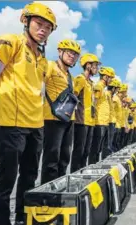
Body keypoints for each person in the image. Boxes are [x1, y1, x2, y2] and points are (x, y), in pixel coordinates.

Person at [0, 2, 56, 225]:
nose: (43, 30)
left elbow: (41, 91)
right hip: (9, 122)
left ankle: (24, 219)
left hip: (35, 125)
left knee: (29, 176)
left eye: (48, 27)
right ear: (25, 21)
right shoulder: (10, 41)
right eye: (39, 23)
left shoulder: (42, 59)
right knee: (4, 179)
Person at [41, 39, 81, 184]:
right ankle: (48, 190)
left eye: (75, 55)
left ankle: (61, 185)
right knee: (52, 157)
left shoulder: (70, 75)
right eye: (69, 52)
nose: (72, 56)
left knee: (64, 157)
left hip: (68, 119)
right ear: (60, 51)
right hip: (52, 119)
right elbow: (39, 87)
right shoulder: (50, 66)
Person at [70, 53, 101, 173]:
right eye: (95, 65)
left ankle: (82, 174)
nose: (97, 68)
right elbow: (73, 97)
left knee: (86, 151)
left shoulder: (91, 83)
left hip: (90, 121)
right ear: (88, 65)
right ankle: (74, 175)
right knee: (79, 151)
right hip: (81, 121)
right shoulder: (80, 79)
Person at [89, 66, 115, 164]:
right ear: (105, 77)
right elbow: (94, 102)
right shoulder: (99, 86)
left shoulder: (103, 89)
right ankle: (92, 167)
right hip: (98, 122)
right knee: (95, 149)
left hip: (104, 122)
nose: (111, 80)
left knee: (99, 149)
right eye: (110, 78)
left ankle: (96, 165)